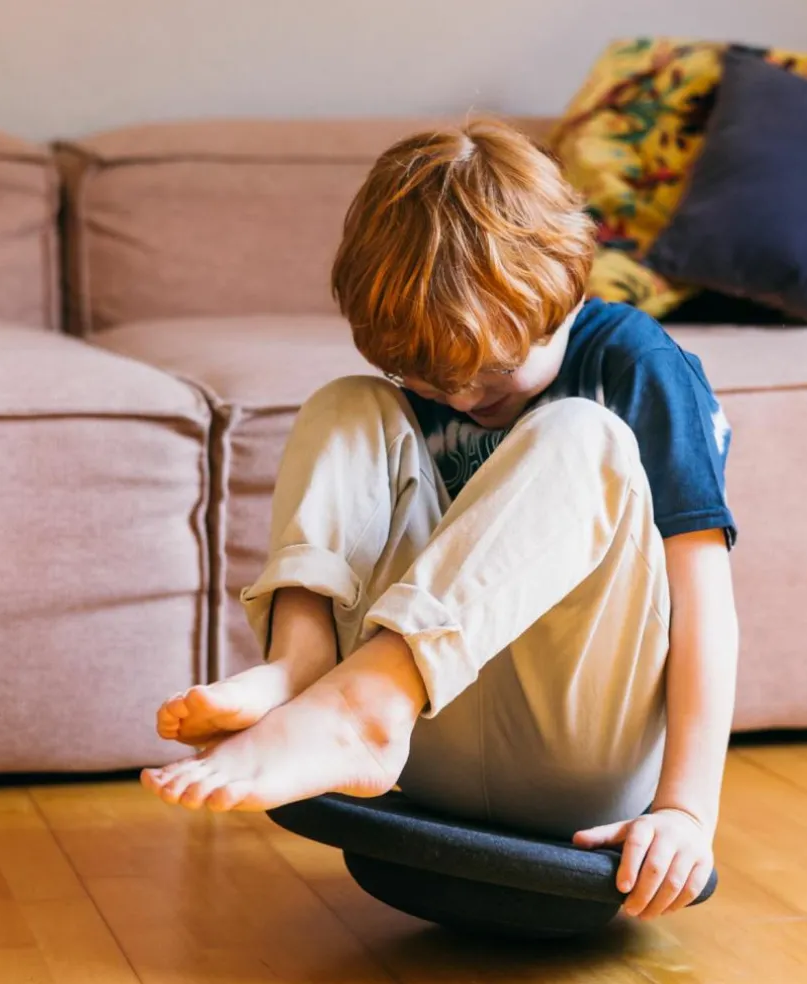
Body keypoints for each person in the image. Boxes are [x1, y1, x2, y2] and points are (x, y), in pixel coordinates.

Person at [141, 118, 740, 921]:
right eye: (425, 375)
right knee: (348, 405)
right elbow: (400, 410)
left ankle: (364, 707)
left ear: (564, 288)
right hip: (424, 747)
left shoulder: (637, 364)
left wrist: (686, 811)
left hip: (578, 750)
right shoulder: (417, 384)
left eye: (492, 369)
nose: (460, 397)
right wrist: (400, 388)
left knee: (578, 434)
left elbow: (704, 605)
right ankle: (306, 672)